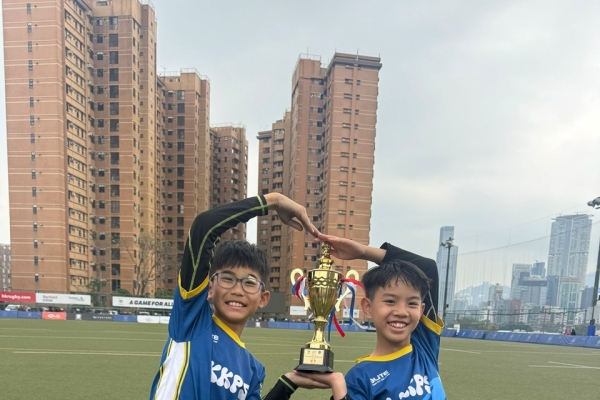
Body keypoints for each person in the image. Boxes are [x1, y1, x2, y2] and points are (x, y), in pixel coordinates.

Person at [149, 193, 318, 400]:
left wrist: (288, 383)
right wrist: (273, 201)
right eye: (227, 279)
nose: (237, 290)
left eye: (249, 282)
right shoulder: (191, 322)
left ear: (263, 299)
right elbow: (204, 227)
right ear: (209, 289)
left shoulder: (254, 369)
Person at [315, 233, 447, 400]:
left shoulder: (424, 346)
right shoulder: (359, 378)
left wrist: (364, 252)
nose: (401, 311)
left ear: (421, 311)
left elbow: (427, 268)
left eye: (412, 303)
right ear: (368, 308)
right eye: (390, 301)